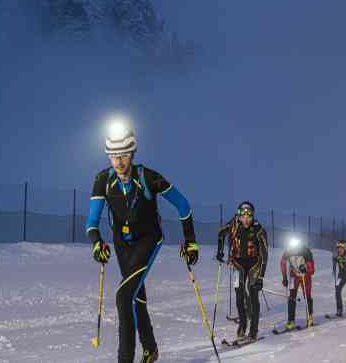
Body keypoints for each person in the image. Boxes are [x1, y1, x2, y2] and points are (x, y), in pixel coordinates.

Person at [85, 124, 198, 363]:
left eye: (123, 155)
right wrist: (96, 243)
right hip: (121, 244)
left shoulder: (148, 177)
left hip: (148, 239)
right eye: (113, 155)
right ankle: (151, 349)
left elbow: (184, 206)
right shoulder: (102, 180)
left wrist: (191, 242)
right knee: (135, 295)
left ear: (132, 154)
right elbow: (92, 222)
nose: (118, 161)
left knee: (123, 297)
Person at [216, 201, 268, 340]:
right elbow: (221, 233)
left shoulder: (258, 229)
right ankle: (243, 325)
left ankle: (253, 330)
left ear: (252, 216)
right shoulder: (233, 224)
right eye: (243, 216)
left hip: (254, 265)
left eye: (249, 216)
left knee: (253, 294)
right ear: (239, 216)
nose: (246, 220)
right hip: (238, 264)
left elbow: (265, 254)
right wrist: (220, 251)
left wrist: (261, 277)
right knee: (239, 297)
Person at [280, 237, 315, 329]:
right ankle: (291, 321)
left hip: (305, 276)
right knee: (291, 297)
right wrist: (284, 277)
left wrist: (306, 268)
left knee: (307, 296)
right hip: (294, 276)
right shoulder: (288, 251)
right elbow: (282, 263)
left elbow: (312, 269)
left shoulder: (306, 251)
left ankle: (310, 317)